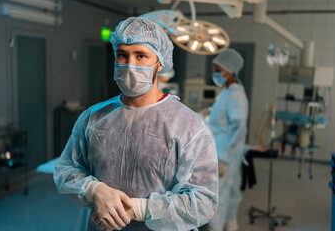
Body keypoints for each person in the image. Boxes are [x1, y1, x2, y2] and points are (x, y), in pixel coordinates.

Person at [54, 17, 218, 231]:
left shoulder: (189, 126)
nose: (129, 64)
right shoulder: (93, 117)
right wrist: (94, 190)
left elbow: (203, 201)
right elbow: (67, 169)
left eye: (141, 56)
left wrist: (139, 209)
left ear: (159, 63)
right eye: (122, 55)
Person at [201, 49, 267, 231]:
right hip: (224, 151)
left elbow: (238, 129)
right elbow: (222, 118)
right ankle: (231, 226)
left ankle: (215, 228)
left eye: (217, 70)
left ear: (230, 70)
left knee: (218, 198)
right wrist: (208, 112)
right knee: (230, 194)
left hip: (224, 154)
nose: (214, 73)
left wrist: (223, 157)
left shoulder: (235, 94)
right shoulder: (227, 91)